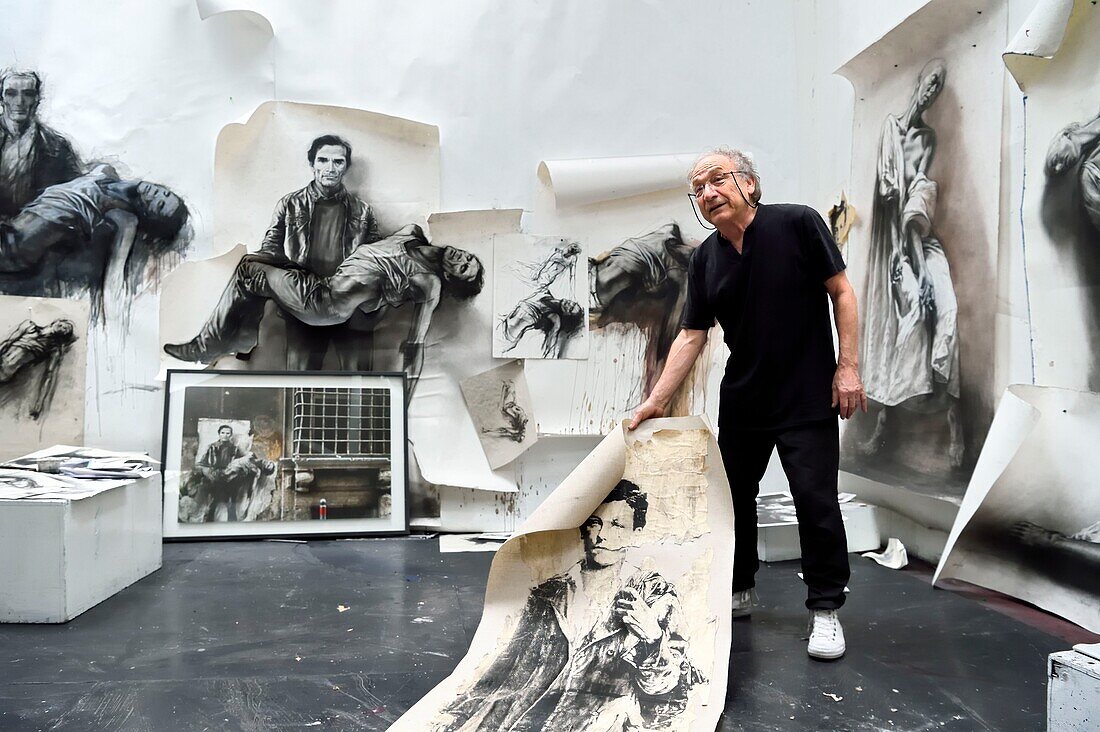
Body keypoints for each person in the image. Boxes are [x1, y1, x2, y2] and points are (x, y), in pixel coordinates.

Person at [629, 147, 866, 660]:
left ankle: (825, 609)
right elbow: (692, 335)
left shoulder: (798, 223)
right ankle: (738, 589)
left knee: (816, 501)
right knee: (733, 499)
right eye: (698, 188)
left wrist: (847, 366)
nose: (708, 193)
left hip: (807, 395)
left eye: (718, 179)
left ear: (750, 184)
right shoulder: (705, 258)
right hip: (744, 401)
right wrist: (656, 400)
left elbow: (842, 293)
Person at [439, 480, 703, 731]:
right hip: (531, 721)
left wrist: (654, 638)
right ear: (581, 528)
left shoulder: (653, 595)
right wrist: (454, 715)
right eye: (595, 524)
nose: (602, 536)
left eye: (617, 525)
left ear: (637, 533)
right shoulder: (549, 592)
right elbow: (508, 670)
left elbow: (667, 691)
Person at [163, 224, 484, 396]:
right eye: (469, 258)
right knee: (253, 264)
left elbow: (415, 344)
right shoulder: (411, 233)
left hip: (323, 306)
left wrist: (407, 396)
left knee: (248, 272)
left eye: (464, 269)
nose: (462, 259)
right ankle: (240, 341)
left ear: (453, 280)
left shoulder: (430, 284)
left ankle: (208, 347)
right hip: (321, 284)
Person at [858, 59, 963, 468]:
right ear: (920, 80)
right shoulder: (890, 128)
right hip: (895, 245)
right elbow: (890, 194)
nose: (932, 91)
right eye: (930, 81)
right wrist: (904, 259)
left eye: (939, 87)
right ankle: (884, 428)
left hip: (918, 235)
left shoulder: (928, 137)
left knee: (948, 310)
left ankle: (954, 416)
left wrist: (916, 250)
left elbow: (918, 191)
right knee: (905, 322)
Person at [0, 163, 189, 317]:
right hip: (9, 229)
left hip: (13, 250)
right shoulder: (105, 171)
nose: (157, 195)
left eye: (160, 206)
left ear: (151, 215)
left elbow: (115, 273)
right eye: (165, 194)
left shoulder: (125, 219)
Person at [258, 134, 382, 370]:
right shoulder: (289, 204)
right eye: (323, 160)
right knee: (301, 385)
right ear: (312, 164)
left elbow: (375, 260)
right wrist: (288, 292)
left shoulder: (363, 211)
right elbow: (270, 251)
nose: (330, 168)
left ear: (346, 166)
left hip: (351, 306)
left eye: (338, 162)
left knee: (361, 385)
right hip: (304, 304)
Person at [589, 223, 695, 396]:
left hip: (606, 286)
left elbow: (671, 332)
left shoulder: (680, 274)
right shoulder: (668, 236)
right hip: (601, 285)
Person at [0, 68, 82, 218]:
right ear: (1, 99)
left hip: (35, 233)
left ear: (37, 99)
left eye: (28, 94)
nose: (19, 102)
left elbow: (73, 197)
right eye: (11, 94)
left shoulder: (57, 147)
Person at [0, 317, 76, 419]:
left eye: (66, 330)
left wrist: (39, 404)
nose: (62, 327)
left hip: (5, 372)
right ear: (56, 321)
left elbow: (49, 376)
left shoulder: (53, 349)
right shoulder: (28, 326)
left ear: (63, 336)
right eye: (63, 324)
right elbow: (7, 342)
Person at [498, 290, 584, 358]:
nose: (570, 304)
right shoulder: (546, 294)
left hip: (506, 335)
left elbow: (552, 343)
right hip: (503, 323)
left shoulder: (555, 317)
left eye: (571, 309)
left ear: (566, 315)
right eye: (574, 304)